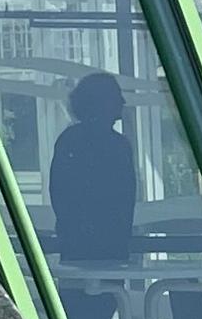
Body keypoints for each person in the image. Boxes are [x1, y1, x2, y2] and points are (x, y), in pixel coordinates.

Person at [47, 66, 137, 265]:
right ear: (102, 103)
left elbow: (59, 193)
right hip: (107, 245)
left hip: (77, 244)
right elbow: (124, 198)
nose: (123, 102)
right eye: (116, 96)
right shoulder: (117, 145)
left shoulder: (70, 140)